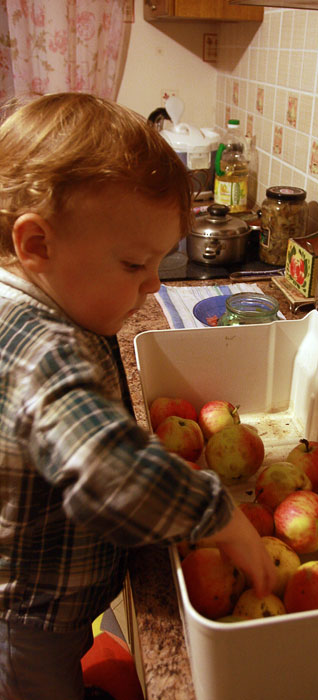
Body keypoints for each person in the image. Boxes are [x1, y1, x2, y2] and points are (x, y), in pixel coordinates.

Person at [0, 92, 276, 700]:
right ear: (36, 245)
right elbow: (106, 467)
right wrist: (219, 515)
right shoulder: (40, 347)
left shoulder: (46, 303)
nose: (153, 283)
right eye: (133, 264)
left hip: (45, 590)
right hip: (28, 614)